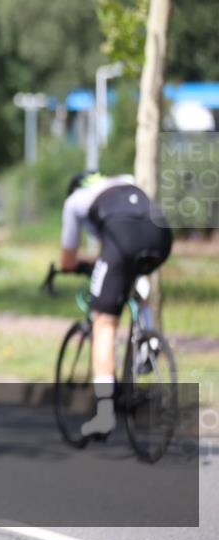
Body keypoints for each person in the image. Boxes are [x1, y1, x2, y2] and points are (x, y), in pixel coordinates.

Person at [59, 170, 173, 437]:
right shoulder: (126, 181)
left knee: (104, 322)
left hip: (123, 239)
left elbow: (68, 261)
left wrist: (79, 266)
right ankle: (147, 341)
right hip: (161, 235)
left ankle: (104, 415)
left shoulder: (74, 201)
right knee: (135, 279)